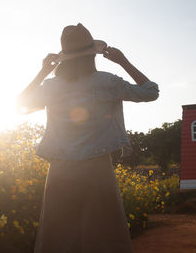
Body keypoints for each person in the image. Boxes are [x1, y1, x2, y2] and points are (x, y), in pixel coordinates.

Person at [17, 23, 159, 253]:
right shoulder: (107, 82)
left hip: (60, 168)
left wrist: (43, 71)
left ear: (64, 59)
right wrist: (123, 61)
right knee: (103, 234)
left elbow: (20, 104)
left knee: (58, 233)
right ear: (92, 54)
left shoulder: (51, 86)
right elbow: (151, 92)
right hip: (97, 167)